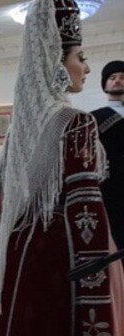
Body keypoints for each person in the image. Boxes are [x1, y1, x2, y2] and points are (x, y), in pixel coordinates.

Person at [0, 1, 124, 335]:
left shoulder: (20, 127)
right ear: (57, 63)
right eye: (80, 58)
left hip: (18, 249)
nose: (87, 67)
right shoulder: (76, 121)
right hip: (60, 257)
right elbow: (87, 213)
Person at [90, 60, 124, 252]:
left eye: (122, 77)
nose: (117, 81)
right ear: (105, 84)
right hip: (109, 188)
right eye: (112, 78)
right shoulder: (94, 118)